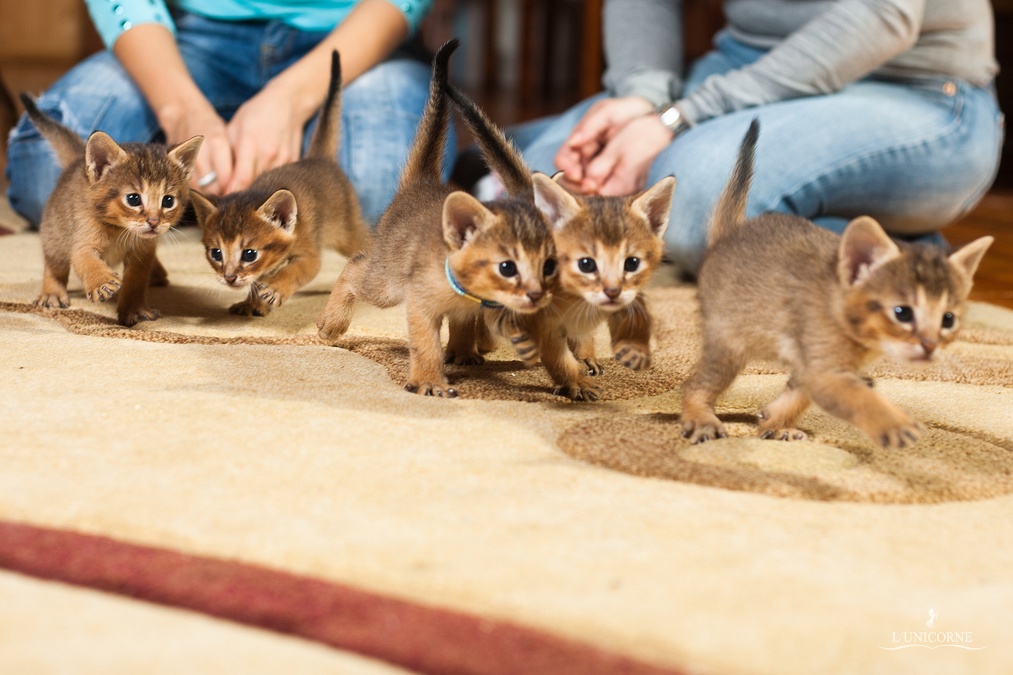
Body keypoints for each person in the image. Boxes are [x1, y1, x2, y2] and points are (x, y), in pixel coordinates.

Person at [513, 0, 1004, 276]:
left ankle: (877, 250)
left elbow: (883, 15)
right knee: (532, 177)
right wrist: (644, 97)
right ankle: (873, 241)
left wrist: (675, 120)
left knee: (699, 207)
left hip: (919, 92)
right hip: (744, 71)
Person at [5, 0, 452, 228]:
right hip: (182, 34)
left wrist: (291, 100)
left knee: (382, 202)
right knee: (47, 175)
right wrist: (180, 109)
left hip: (355, 40)